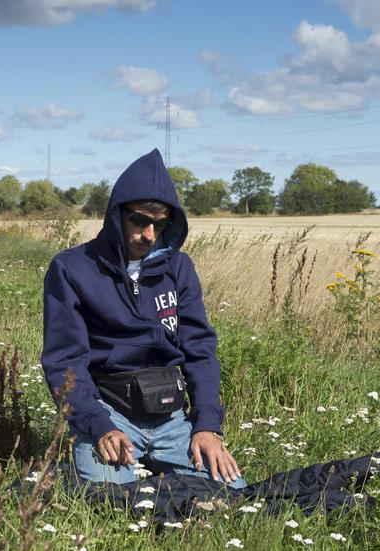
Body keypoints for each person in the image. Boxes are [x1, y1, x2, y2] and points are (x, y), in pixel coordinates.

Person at [41, 149, 244, 489]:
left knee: (230, 490)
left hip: (171, 418)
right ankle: (76, 464)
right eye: (139, 220)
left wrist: (207, 425)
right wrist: (99, 424)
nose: (149, 234)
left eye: (160, 223)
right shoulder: (72, 268)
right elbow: (65, 361)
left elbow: (200, 350)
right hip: (110, 412)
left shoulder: (178, 268)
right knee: (108, 497)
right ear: (116, 215)